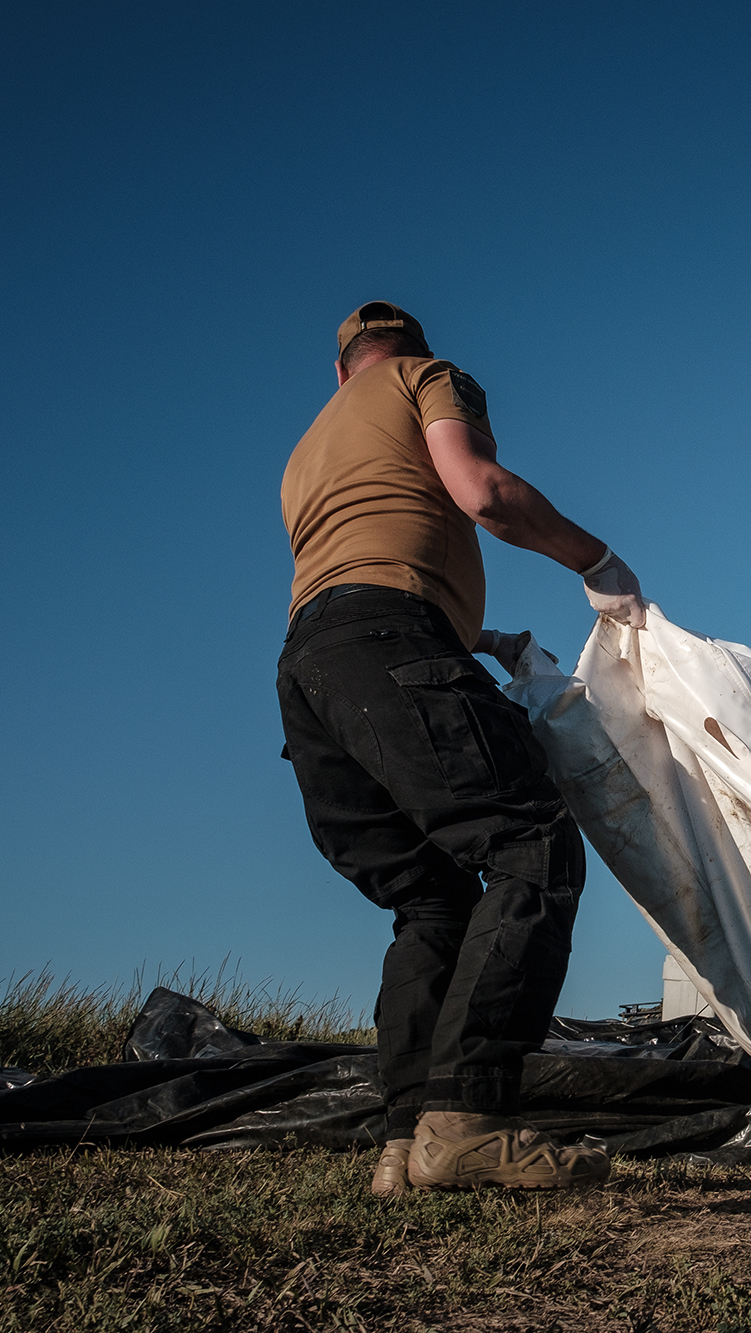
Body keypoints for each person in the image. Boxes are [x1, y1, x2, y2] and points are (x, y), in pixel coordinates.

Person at [278, 301, 646, 1195]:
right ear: (412, 356)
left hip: (308, 670)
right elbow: (477, 490)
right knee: (531, 841)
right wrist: (601, 563)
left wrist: (467, 638)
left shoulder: (308, 449)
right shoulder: (427, 379)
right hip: (386, 640)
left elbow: (361, 562)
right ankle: (471, 1118)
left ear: (340, 371)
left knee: (431, 898)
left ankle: (403, 1145)